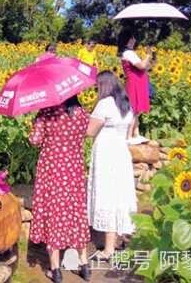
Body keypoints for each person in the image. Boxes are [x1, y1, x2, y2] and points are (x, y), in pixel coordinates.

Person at [28, 96, 91, 282]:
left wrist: (35, 124)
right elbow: (83, 134)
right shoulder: (81, 114)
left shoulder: (46, 114)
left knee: (53, 213)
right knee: (76, 213)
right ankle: (84, 265)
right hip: (73, 171)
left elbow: (35, 140)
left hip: (52, 171)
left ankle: (55, 270)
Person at [86, 71, 137, 262]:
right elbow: (128, 132)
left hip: (106, 155)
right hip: (121, 154)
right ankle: (120, 241)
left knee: (107, 197)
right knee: (120, 196)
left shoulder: (104, 104)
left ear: (104, 85)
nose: (96, 89)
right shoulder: (125, 104)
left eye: (98, 85)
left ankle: (108, 250)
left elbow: (90, 132)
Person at [117, 29, 152, 143]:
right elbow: (141, 66)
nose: (135, 40)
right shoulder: (128, 53)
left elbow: (145, 67)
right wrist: (147, 55)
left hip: (137, 82)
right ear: (128, 40)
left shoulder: (129, 52)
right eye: (133, 38)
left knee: (136, 109)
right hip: (135, 83)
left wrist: (151, 60)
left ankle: (136, 133)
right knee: (132, 109)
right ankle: (129, 136)